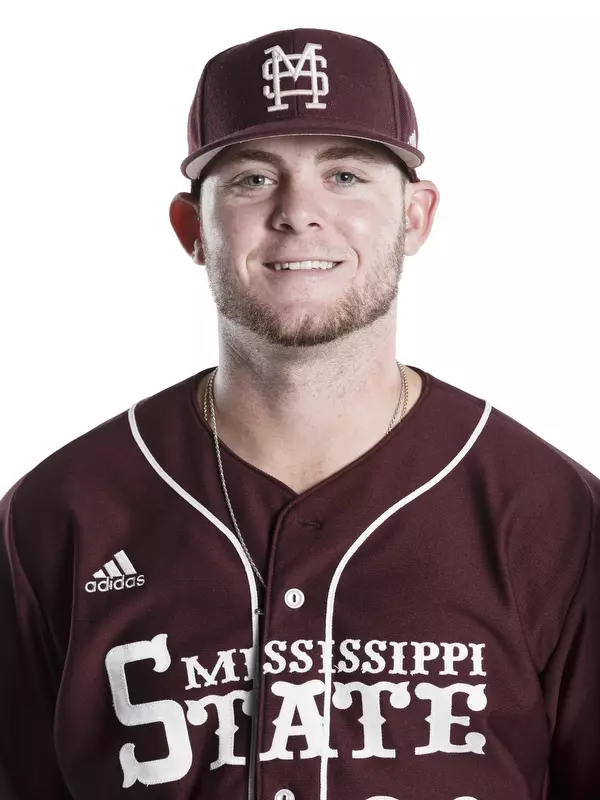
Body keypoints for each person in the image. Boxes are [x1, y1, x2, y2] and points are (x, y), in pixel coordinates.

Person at [1, 26, 598, 800]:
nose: (298, 213)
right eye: (251, 179)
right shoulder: (61, 514)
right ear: (193, 231)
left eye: (346, 176)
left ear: (415, 217)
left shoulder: (551, 514)